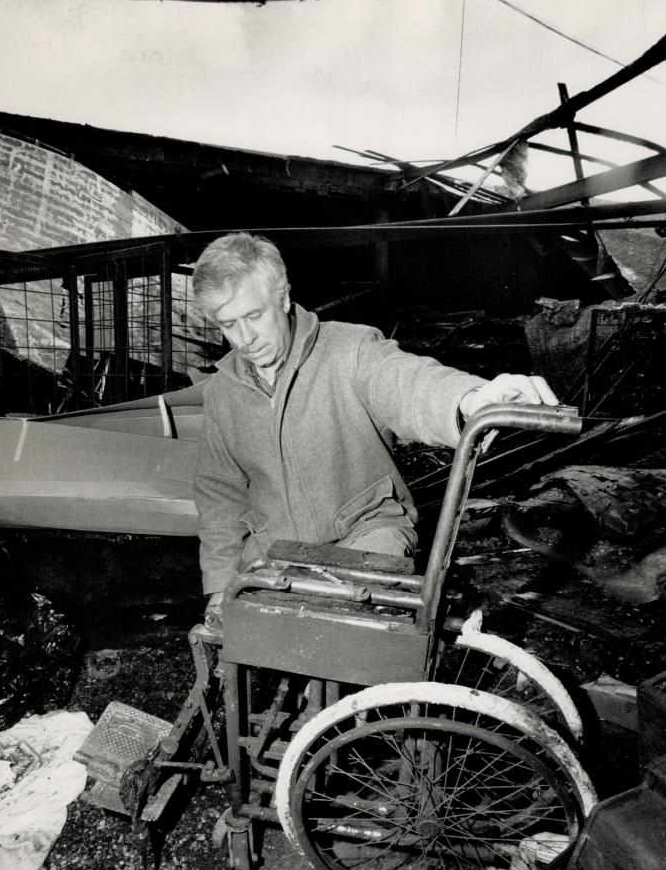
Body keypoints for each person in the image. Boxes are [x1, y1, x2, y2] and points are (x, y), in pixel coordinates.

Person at [191, 232, 557, 618]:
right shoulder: (221, 395)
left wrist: (469, 397)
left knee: (342, 636)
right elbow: (220, 497)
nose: (245, 338)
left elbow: (406, 383)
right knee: (258, 646)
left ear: (282, 298)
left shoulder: (349, 350)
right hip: (276, 552)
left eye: (254, 315)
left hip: (367, 532)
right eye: (229, 324)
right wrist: (218, 587)